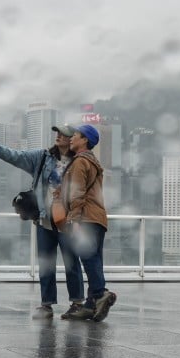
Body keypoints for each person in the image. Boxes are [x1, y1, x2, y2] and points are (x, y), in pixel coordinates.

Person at [0, 125, 84, 319]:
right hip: (45, 219)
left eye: (63, 134)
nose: (58, 136)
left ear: (72, 138)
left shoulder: (79, 162)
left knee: (72, 263)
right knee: (46, 263)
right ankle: (46, 305)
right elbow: (18, 156)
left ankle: (77, 303)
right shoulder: (43, 157)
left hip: (68, 220)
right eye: (57, 133)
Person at [62, 124, 117, 322]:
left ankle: (101, 293)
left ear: (84, 139)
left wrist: (74, 220)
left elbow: (77, 192)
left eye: (75, 135)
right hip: (98, 217)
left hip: (85, 217)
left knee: (88, 257)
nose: (71, 138)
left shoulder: (79, 162)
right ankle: (92, 303)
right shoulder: (93, 162)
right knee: (95, 258)